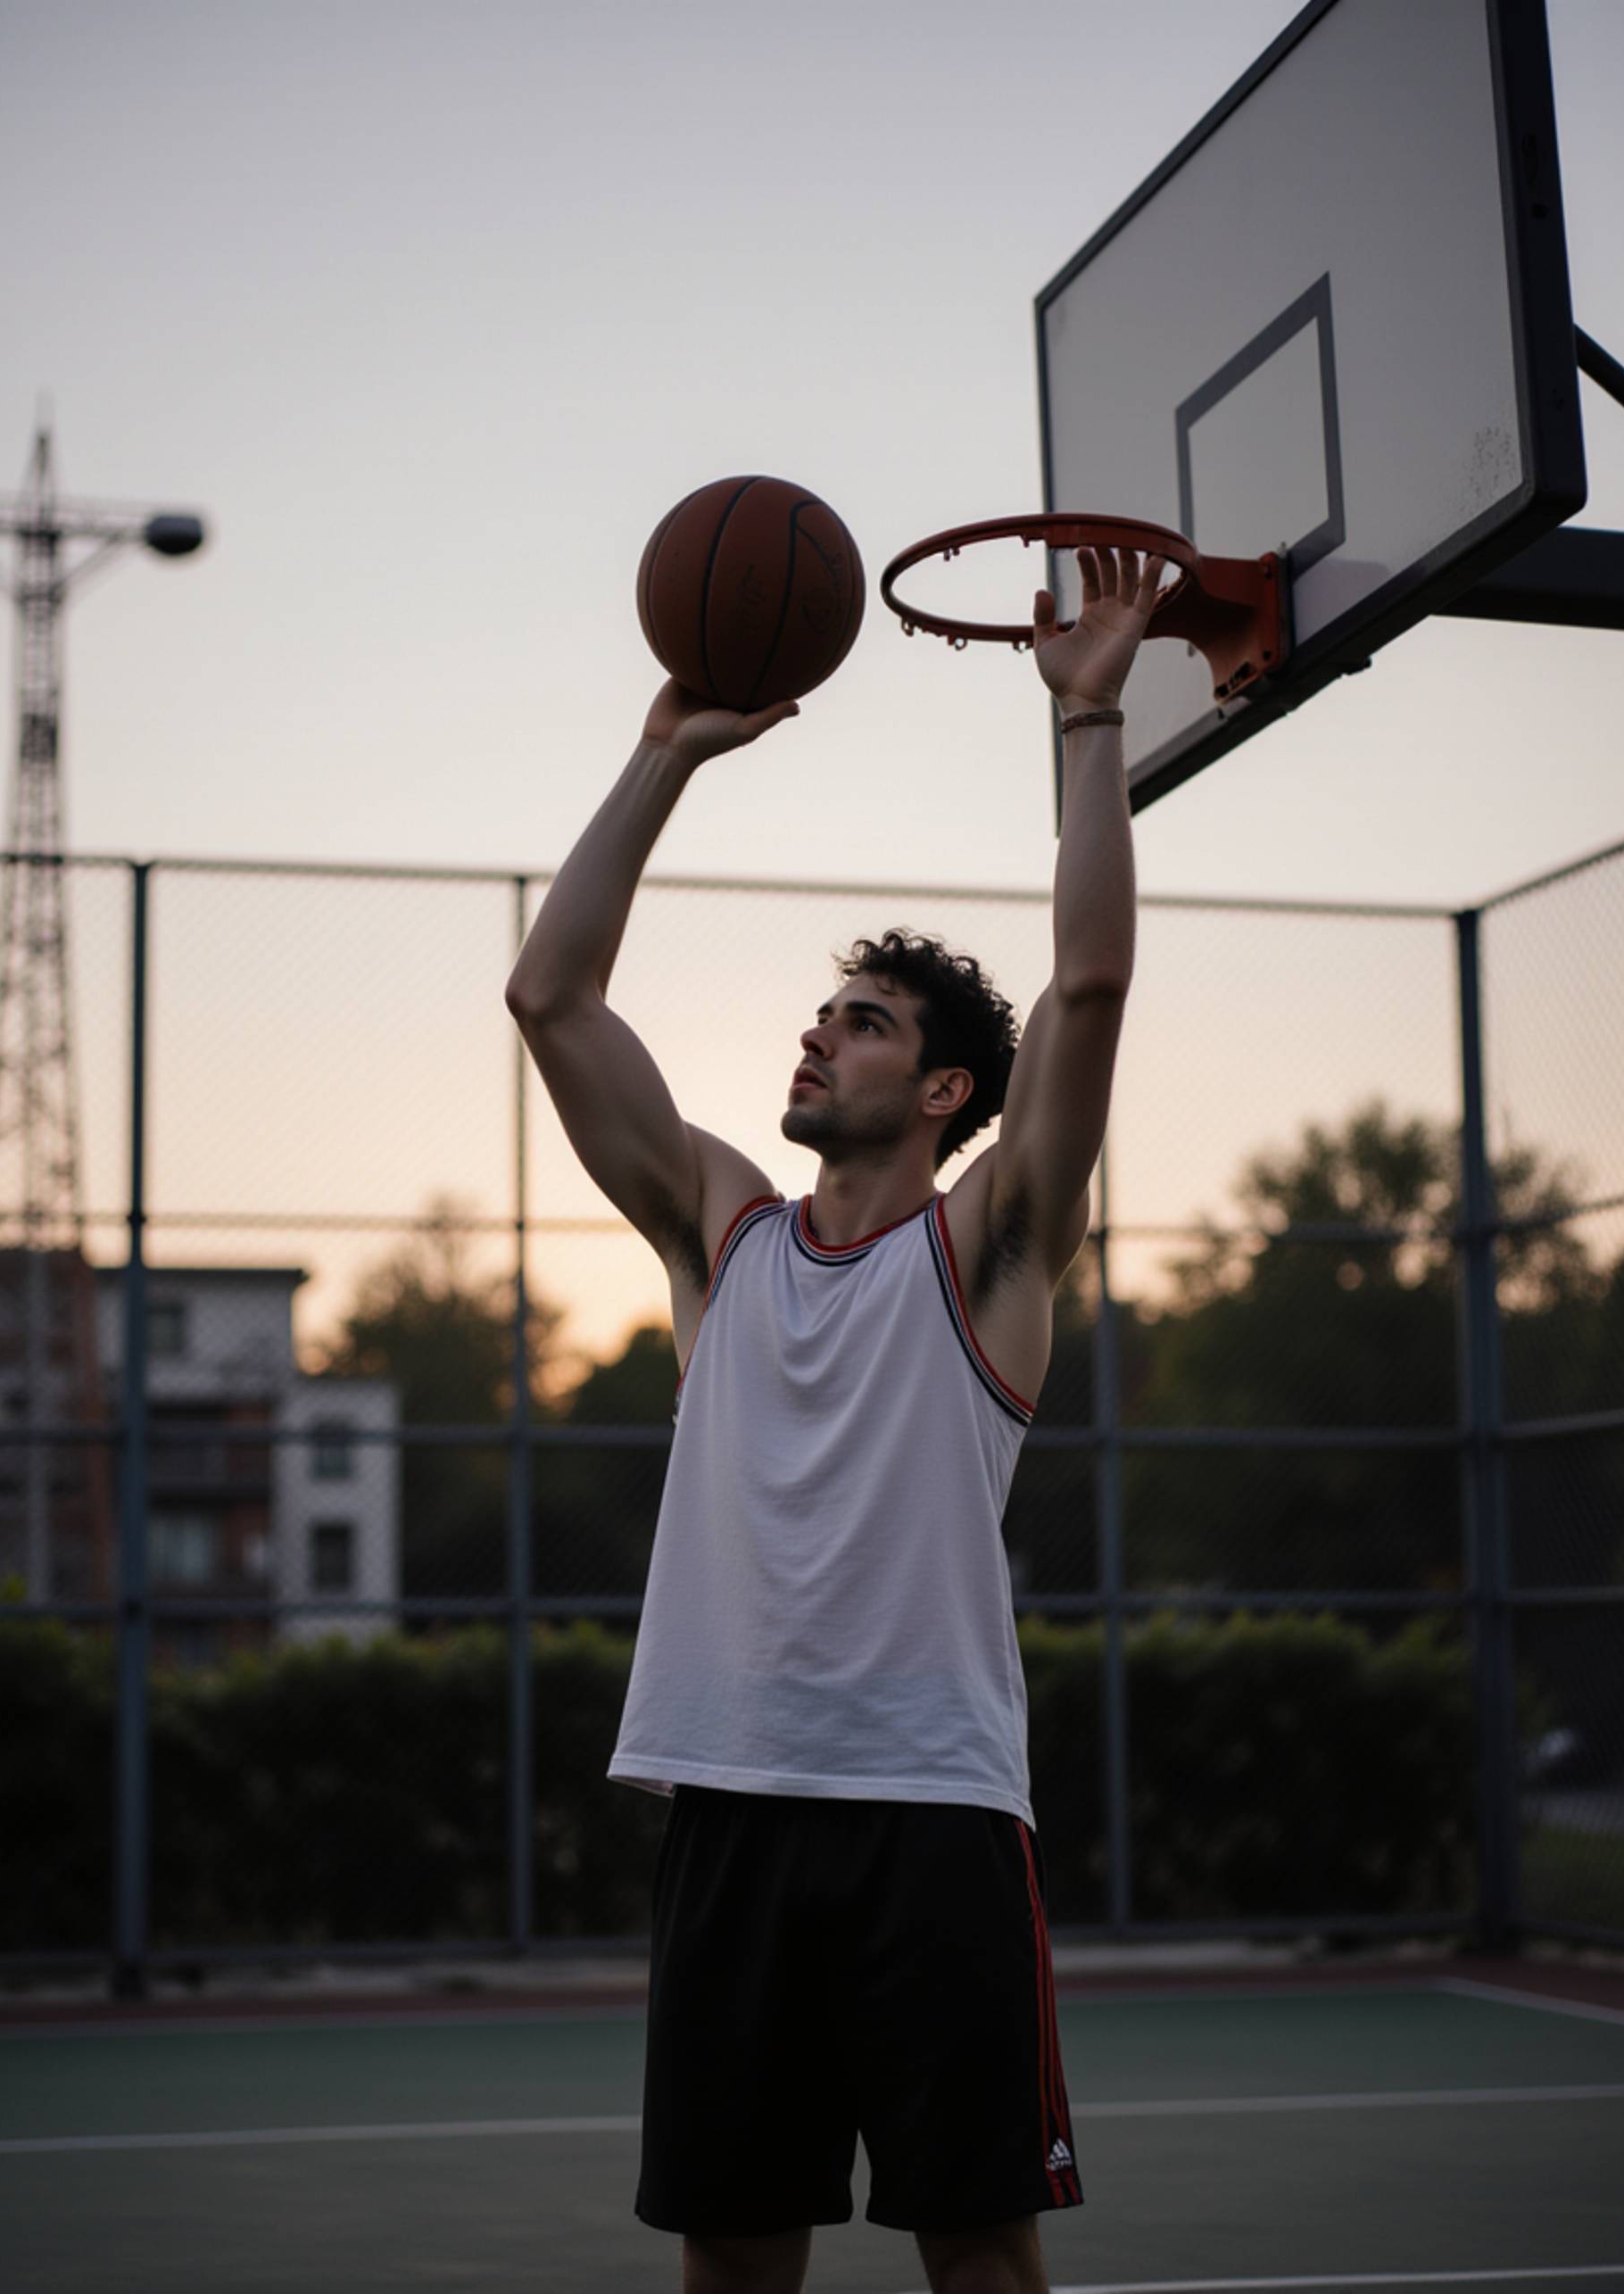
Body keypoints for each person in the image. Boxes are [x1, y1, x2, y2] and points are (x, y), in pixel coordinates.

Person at [505, 545, 1165, 2294]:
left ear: (945, 1088)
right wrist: (665, 752)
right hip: (728, 1801)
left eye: (860, 1023)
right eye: (818, 1013)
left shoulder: (991, 1243)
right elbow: (549, 1000)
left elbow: (1086, 994)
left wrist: (1088, 717)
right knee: (734, 2259)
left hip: (930, 1811)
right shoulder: (722, 1234)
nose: (817, 1035)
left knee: (979, 2253)